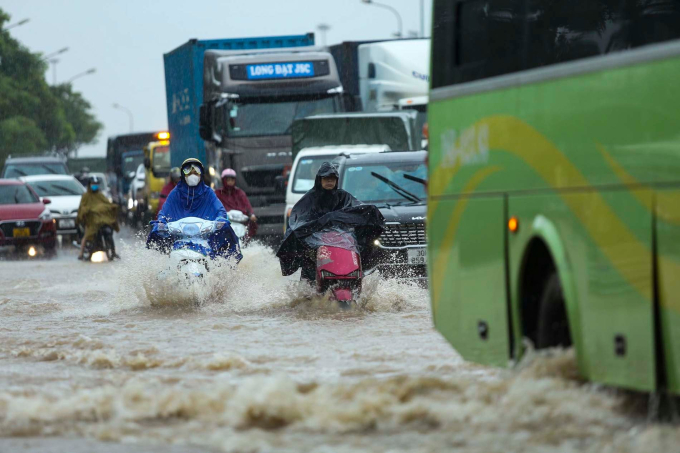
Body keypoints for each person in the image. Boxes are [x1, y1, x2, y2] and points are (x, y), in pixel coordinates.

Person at [276, 162, 384, 282]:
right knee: (309, 270)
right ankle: (310, 287)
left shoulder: (343, 196)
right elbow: (299, 220)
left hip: (342, 240)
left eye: (332, 179)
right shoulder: (310, 198)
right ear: (319, 180)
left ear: (336, 180)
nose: (329, 181)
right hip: (315, 244)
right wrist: (316, 226)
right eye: (326, 178)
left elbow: (358, 208)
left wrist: (368, 211)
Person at [156, 158, 227, 223]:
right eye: (189, 173)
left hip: (205, 234)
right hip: (179, 234)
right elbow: (164, 212)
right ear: (183, 176)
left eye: (196, 173)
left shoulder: (208, 192)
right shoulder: (176, 193)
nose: (192, 176)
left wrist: (220, 219)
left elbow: (220, 210)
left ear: (201, 175)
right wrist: (161, 221)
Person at [76, 175, 120, 260]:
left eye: (96, 184)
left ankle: (113, 252)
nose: (95, 185)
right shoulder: (86, 196)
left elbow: (106, 204)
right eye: (93, 184)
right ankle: (81, 253)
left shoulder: (100, 195)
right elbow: (82, 208)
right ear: (89, 184)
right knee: (87, 235)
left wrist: (111, 207)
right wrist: (89, 210)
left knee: (109, 231)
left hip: (103, 220)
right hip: (91, 221)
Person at [214, 168, 258, 239]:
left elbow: (247, 205)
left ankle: (248, 241)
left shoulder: (240, 192)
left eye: (232, 180)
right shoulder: (218, 193)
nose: (230, 182)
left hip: (240, 220)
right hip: (224, 220)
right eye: (228, 180)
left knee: (253, 224)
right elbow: (213, 205)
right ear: (223, 180)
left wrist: (252, 214)